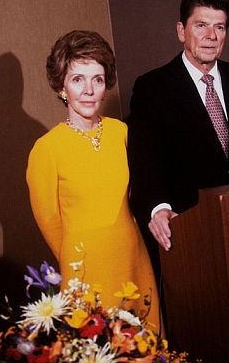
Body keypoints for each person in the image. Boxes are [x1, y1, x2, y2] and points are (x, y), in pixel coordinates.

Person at [127, 0, 229, 268]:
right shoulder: (153, 87)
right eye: (201, 25)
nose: (211, 36)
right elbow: (145, 162)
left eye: (219, 27)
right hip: (191, 233)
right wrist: (159, 209)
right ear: (181, 31)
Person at [26, 30, 160, 328]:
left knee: (147, 348)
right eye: (78, 79)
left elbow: (141, 192)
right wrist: (76, 265)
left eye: (97, 79)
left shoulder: (121, 133)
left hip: (133, 257)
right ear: (62, 86)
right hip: (84, 269)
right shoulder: (46, 149)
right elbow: (49, 220)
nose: (89, 89)